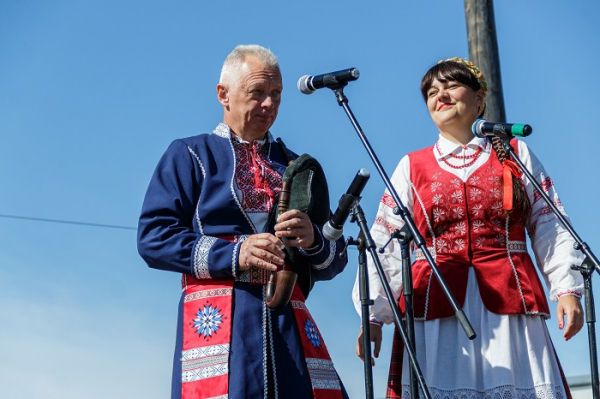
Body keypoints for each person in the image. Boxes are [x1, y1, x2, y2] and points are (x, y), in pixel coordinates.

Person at [353, 57, 584, 398]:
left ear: (479, 97)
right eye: (431, 92)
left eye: (450, 87)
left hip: (509, 307)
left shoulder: (516, 153)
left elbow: (550, 224)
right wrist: (372, 316)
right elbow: (383, 243)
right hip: (434, 309)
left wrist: (567, 289)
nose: (440, 96)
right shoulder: (411, 166)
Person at [138, 44, 349, 399]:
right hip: (219, 317)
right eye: (257, 93)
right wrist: (236, 253)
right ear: (224, 94)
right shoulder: (190, 154)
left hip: (288, 320)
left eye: (277, 94)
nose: (269, 104)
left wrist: (312, 238)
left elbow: (335, 259)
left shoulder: (296, 167)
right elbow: (153, 238)